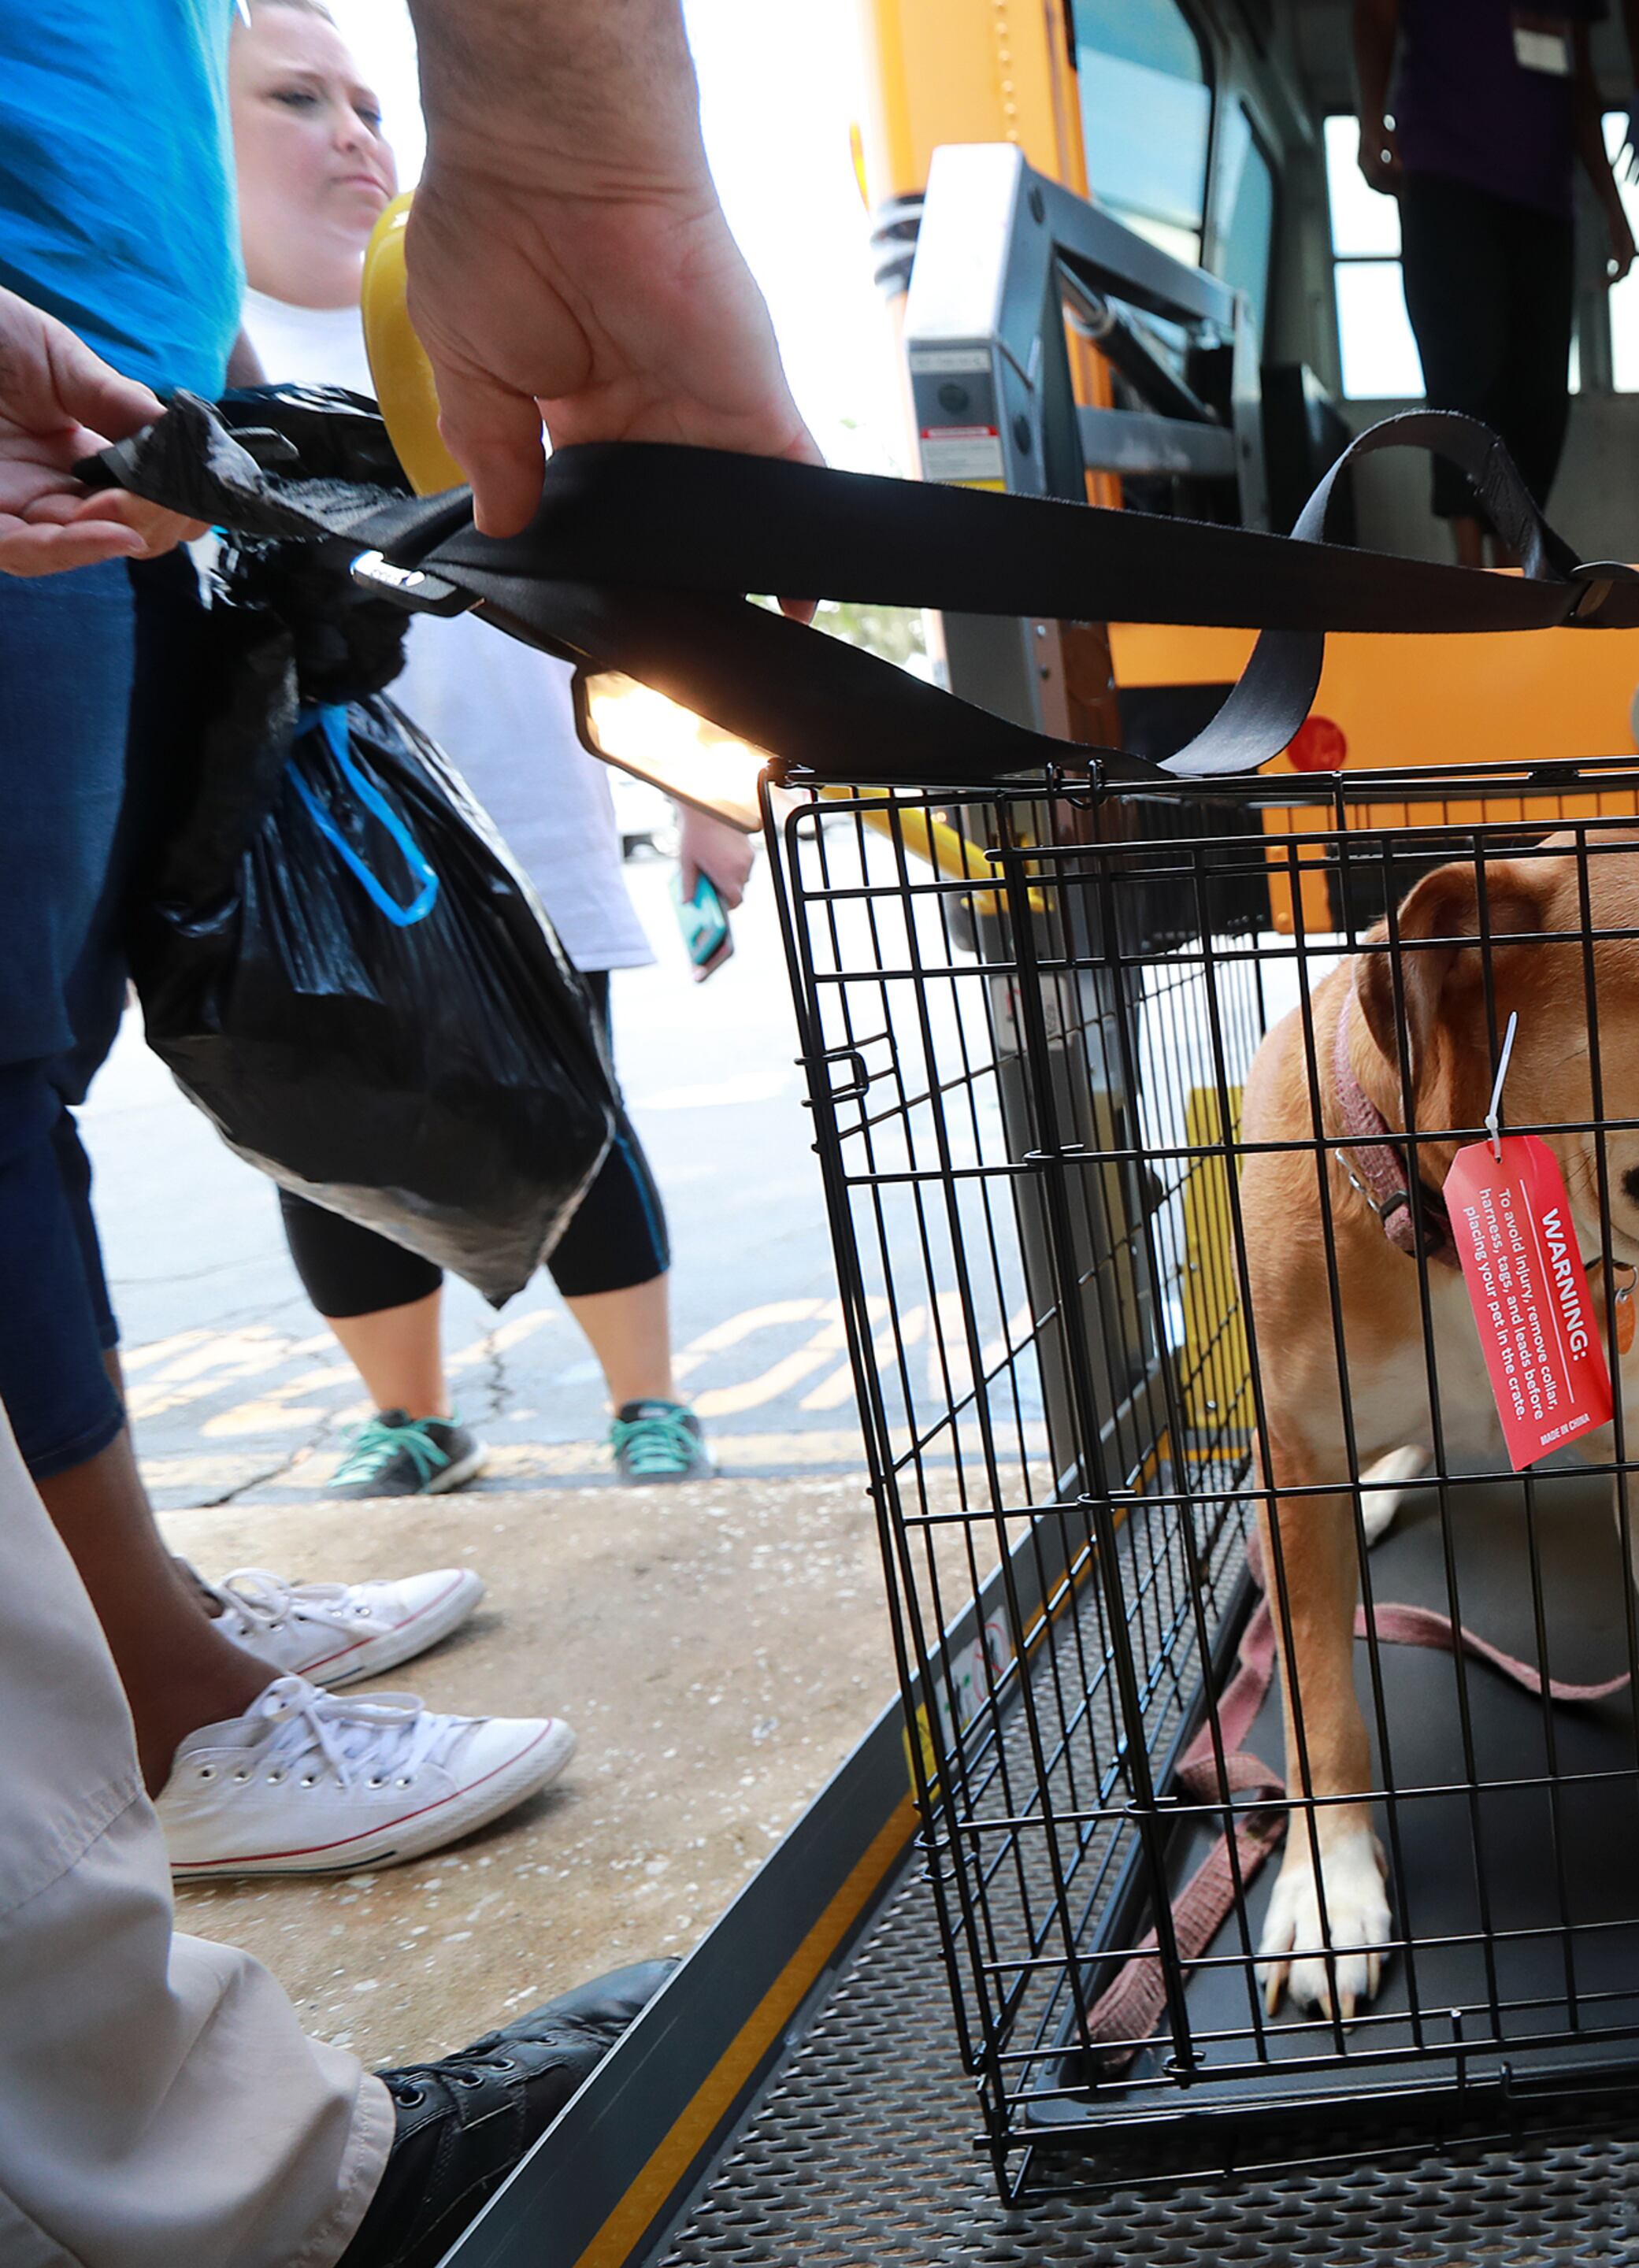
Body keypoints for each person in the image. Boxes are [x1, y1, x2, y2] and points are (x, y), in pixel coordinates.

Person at [0, 0, 815, 2255]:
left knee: (24, 1083)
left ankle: (133, 1638)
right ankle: (172, 1846)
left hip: (74, 439)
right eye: (305, 100)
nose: (349, 133)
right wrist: (580, 129)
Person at [4, 2, 576, 1884]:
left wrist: (238, 421)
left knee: (50, 1063)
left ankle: (124, 1593)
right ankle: (167, 1710)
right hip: (32, 435)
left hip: (119, 434)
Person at [229, 0, 745, 1497]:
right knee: (322, 1120)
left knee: (566, 1101)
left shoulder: (451, 300)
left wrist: (706, 798)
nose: (353, 133)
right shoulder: (192, 348)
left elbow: (617, 587)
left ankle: (647, 1401)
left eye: (370, 104)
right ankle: (410, 1415)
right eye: (296, 101)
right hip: (300, 828)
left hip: (517, 812)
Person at [1353, 0, 1639, 565]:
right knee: (1466, 374)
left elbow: (1580, 81)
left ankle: (1515, 569)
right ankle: (1470, 575)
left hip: (1545, 198)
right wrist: (1369, 120)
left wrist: (1611, 202)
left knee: (1538, 396)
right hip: (1448, 179)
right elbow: (1375, 13)